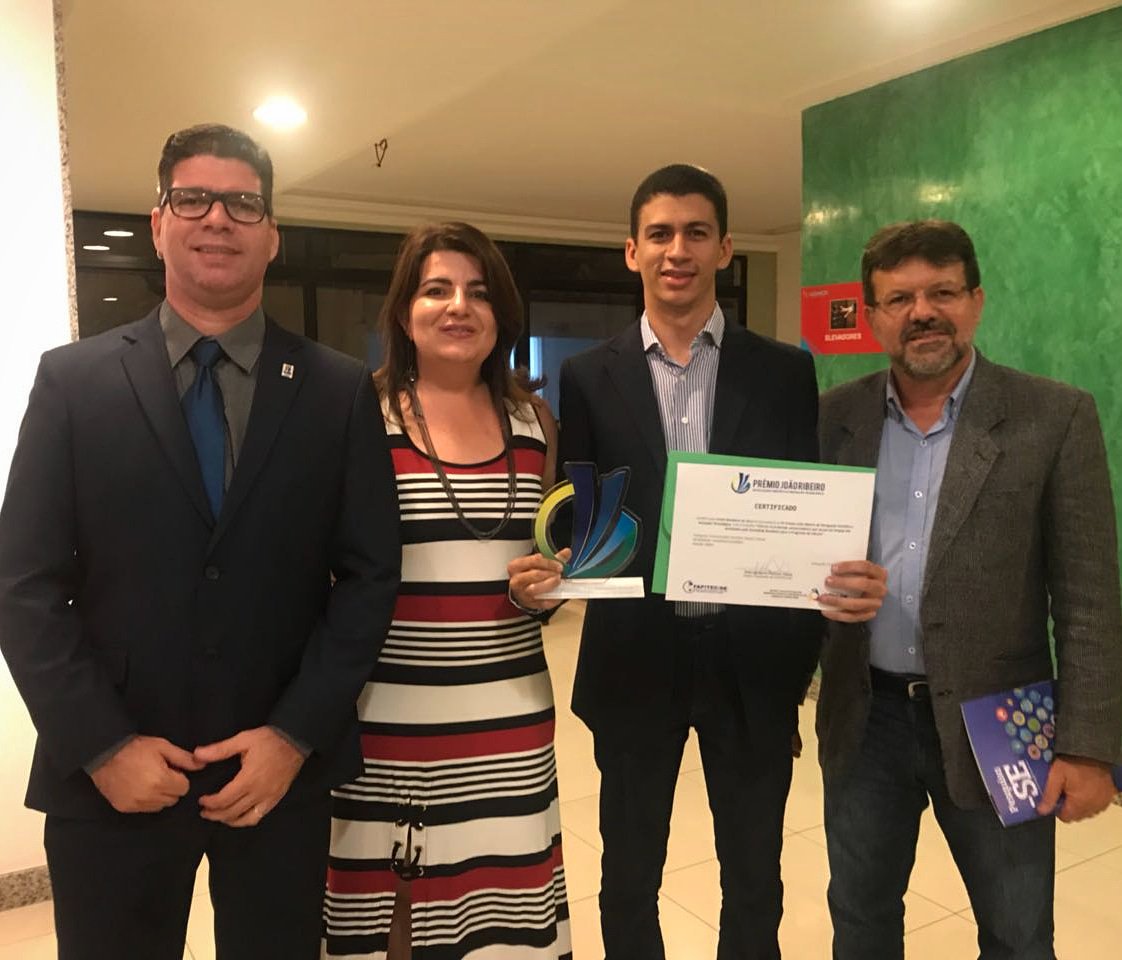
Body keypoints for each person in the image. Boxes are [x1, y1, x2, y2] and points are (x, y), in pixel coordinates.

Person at [0, 124, 401, 959]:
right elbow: (23, 583)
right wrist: (102, 746)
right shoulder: (72, 382)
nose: (218, 218)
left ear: (272, 235)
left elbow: (368, 578)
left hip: (274, 777)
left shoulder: (334, 391)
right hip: (113, 781)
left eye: (243, 203)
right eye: (194, 198)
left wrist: (295, 736)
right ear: (159, 223)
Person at [511, 164, 884, 960]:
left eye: (695, 233)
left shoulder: (783, 369)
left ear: (724, 248)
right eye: (659, 234)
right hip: (633, 657)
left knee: (755, 872)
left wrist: (799, 654)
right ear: (631, 251)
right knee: (631, 868)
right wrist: (563, 563)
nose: (676, 250)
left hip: (750, 661)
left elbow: (802, 512)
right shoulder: (588, 375)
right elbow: (586, 510)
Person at [816, 219, 1122, 959]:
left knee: (1018, 933)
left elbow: (1089, 599)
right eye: (899, 298)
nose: (922, 311)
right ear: (874, 315)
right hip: (866, 719)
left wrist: (1088, 748)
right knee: (861, 925)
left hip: (1003, 723)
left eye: (942, 292)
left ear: (976, 301)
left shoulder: (1055, 416)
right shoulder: (832, 418)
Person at [322, 222, 572, 960]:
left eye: (479, 293)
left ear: (502, 317)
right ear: (405, 312)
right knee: (392, 922)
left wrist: (550, 589)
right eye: (436, 289)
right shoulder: (359, 417)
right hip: (387, 722)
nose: (458, 306)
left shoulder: (534, 421)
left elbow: (551, 555)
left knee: (502, 922)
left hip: (510, 717)